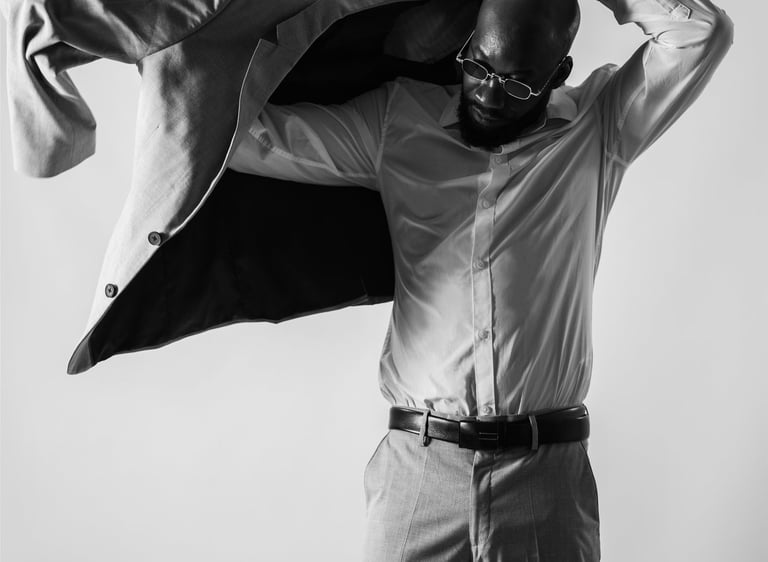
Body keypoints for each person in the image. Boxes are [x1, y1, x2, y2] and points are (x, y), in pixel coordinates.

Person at [228, 0, 733, 559]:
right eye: (479, 66)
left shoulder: (600, 124)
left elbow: (701, 32)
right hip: (419, 473)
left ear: (559, 74)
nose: (489, 95)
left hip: (544, 479)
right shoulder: (399, 121)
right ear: (465, 45)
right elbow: (250, 139)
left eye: (517, 84)